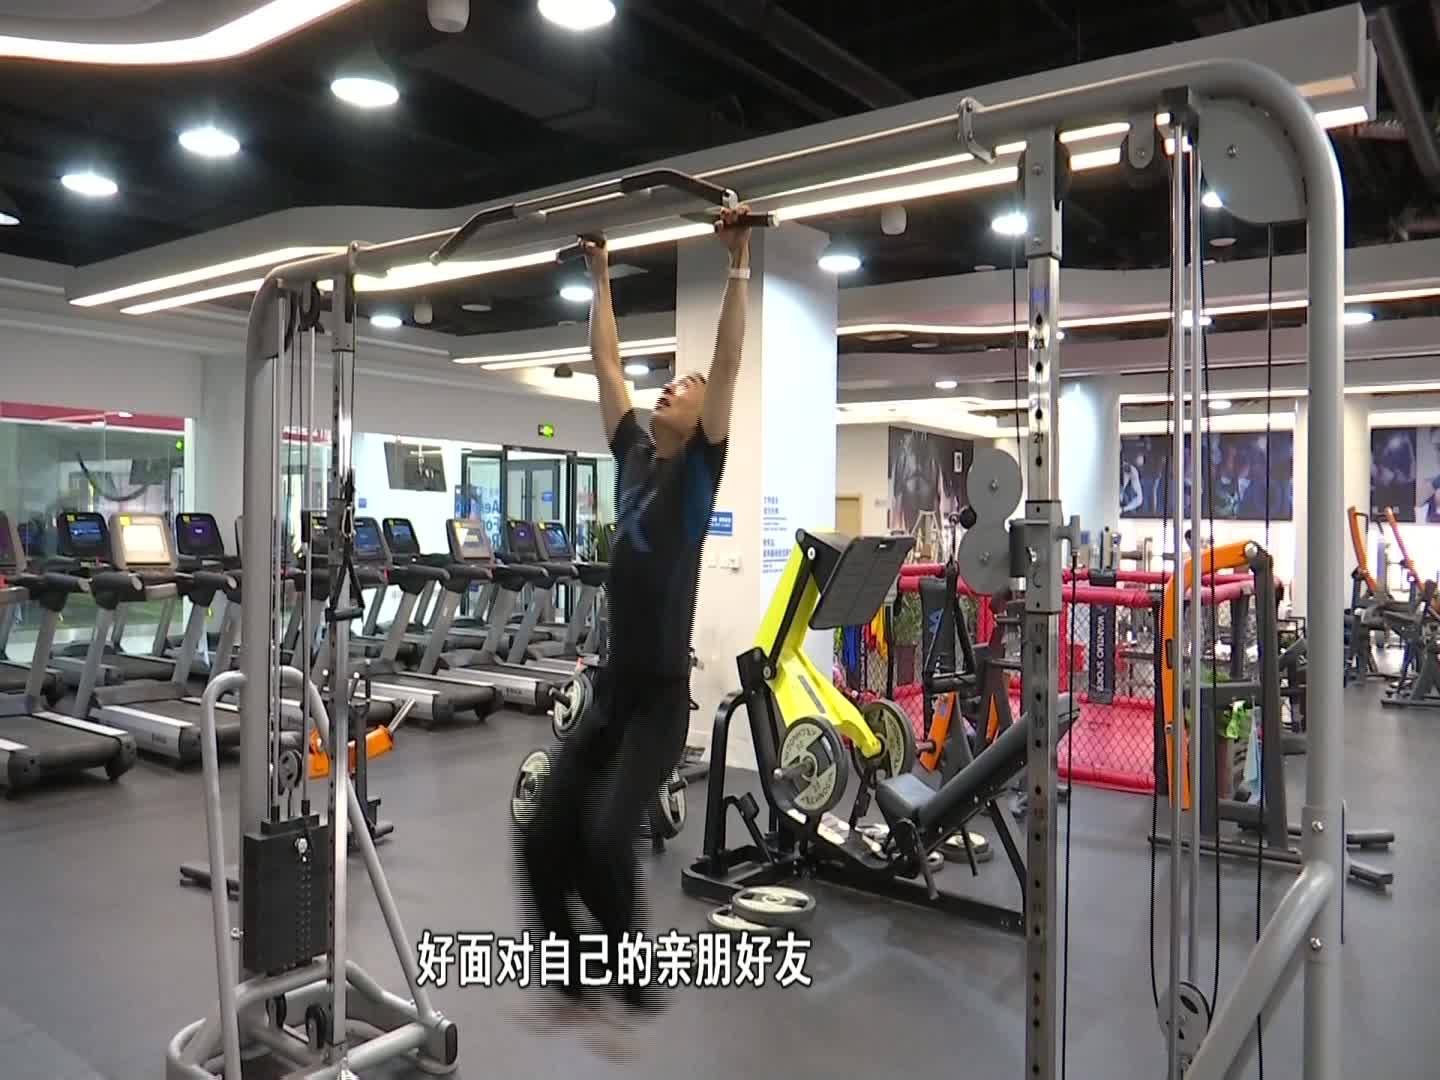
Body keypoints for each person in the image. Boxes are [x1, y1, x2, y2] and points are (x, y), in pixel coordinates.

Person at [517, 210, 752, 1015]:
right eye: (672, 380)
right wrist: (600, 274)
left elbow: (728, 361)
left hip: (657, 704)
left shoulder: (698, 474)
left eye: (685, 386)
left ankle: (627, 967)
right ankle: (570, 966)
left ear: (703, 416)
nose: (670, 386)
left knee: (607, 836)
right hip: (612, 691)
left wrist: (738, 264)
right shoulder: (633, 460)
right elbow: (607, 362)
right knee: (542, 833)